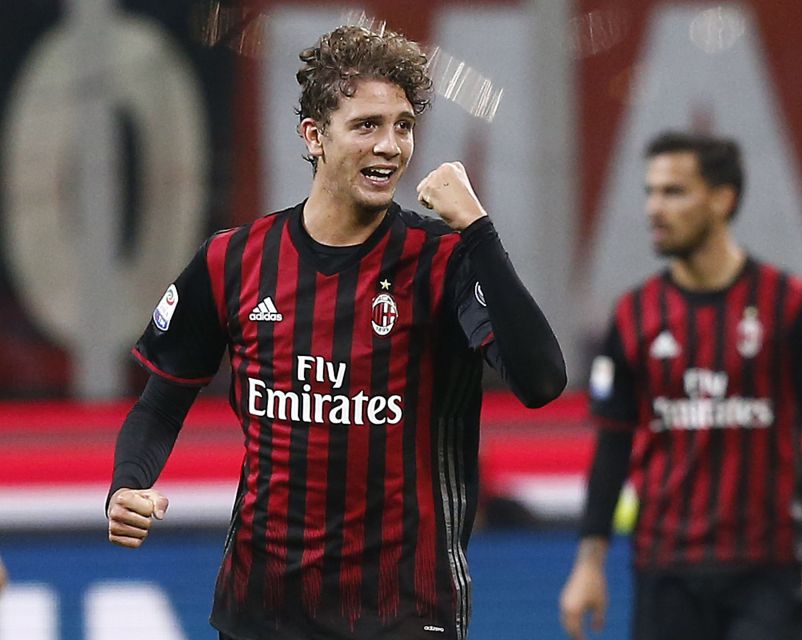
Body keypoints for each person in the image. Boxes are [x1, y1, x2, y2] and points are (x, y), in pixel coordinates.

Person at [106, 25, 566, 640]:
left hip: (404, 613)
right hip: (260, 611)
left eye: (403, 126)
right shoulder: (235, 261)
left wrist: (478, 230)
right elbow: (159, 404)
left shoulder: (445, 260)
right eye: (367, 125)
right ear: (314, 136)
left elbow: (541, 381)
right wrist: (127, 486)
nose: (391, 146)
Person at [559, 131, 802, 640]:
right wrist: (589, 562)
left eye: (674, 192)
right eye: (650, 192)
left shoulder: (788, 304)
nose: (655, 208)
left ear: (723, 199)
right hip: (665, 572)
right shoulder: (634, 315)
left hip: (767, 569)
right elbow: (612, 446)